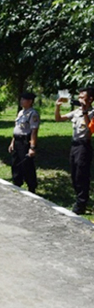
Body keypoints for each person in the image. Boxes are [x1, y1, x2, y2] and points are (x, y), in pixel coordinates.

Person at [55, 86, 94, 214]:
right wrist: (57, 106)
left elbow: (90, 130)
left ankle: (81, 203)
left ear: (90, 99)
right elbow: (59, 118)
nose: (80, 99)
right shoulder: (76, 112)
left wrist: (85, 112)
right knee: (74, 173)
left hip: (84, 145)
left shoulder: (92, 112)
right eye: (79, 97)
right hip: (75, 145)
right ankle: (78, 199)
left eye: (83, 97)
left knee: (81, 174)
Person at [9, 92, 39, 193]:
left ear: (30, 101)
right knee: (15, 164)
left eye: (24, 99)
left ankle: (31, 187)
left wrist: (32, 147)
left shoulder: (32, 114)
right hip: (17, 141)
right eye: (21, 99)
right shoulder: (21, 113)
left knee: (27, 165)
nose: (21, 101)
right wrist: (12, 142)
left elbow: (34, 131)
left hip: (25, 142)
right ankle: (17, 184)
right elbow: (17, 128)